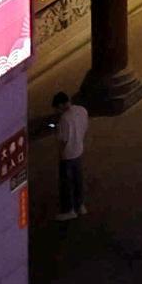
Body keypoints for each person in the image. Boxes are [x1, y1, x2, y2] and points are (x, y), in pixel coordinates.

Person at [51, 90, 89, 220]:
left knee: (66, 183)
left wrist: (59, 155)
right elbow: (85, 127)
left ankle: (69, 210)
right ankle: (80, 205)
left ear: (61, 105)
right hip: (79, 150)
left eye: (57, 108)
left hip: (67, 155)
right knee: (78, 180)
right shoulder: (82, 110)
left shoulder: (64, 119)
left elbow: (63, 140)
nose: (57, 111)